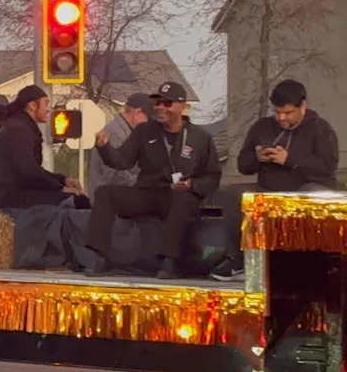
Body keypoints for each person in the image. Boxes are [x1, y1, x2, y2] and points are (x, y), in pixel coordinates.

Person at [85, 81, 221, 279]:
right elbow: (122, 160)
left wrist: (193, 185)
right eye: (157, 103)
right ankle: (99, 256)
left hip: (179, 195)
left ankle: (169, 262)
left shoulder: (200, 137)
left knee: (183, 200)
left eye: (167, 104)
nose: (160, 108)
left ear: (182, 107)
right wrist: (105, 147)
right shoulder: (144, 131)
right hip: (149, 192)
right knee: (105, 193)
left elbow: (213, 176)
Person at [210, 79, 339, 281]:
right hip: (267, 188)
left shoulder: (320, 129)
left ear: (303, 106)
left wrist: (289, 160)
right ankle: (239, 260)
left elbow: (327, 167)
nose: (282, 118)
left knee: (309, 196)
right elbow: (243, 165)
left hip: (304, 188)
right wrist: (258, 159)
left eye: (288, 113)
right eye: (277, 112)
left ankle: (304, 265)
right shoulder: (262, 127)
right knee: (230, 194)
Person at [0, 86, 88, 210]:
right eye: (46, 103)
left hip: (11, 194)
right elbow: (29, 173)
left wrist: (63, 180)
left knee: (75, 200)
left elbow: (33, 170)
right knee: (77, 202)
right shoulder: (19, 130)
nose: (49, 109)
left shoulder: (20, 127)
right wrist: (61, 188)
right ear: (32, 106)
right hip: (4, 200)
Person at [87, 93, 153, 203]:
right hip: (110, 206)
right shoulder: (115, 133)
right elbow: (115, 175)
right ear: (138, 113)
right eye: (149, 119)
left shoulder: (124, 131)